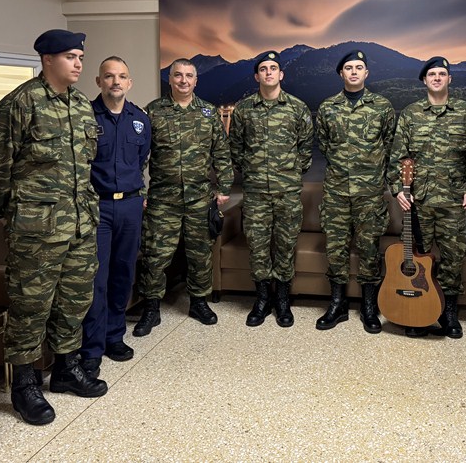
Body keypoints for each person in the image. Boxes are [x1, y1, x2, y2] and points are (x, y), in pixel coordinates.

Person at [0, 29, 107, 426]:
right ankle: (24, 385)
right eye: (70, 56)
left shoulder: (81, 104)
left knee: (74, 300)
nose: (78, 63)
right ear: (47, 59)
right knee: (30, 306)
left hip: (79, 225)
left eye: (80, 57)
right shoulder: (22, 102)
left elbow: (85, 166)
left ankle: (66, 369)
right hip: (36, 232)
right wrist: (14, 214)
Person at [133, 58, 233, 335]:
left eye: (189, 76)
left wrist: (224, 187)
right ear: (170, 78)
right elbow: (139, 156)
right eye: (178, 75)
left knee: (200, 253)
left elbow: (221, 152)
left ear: (196, 81)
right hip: (162, 199)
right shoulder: (153, 111)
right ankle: (151, 308)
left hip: (199, 197)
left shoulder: (208, 113)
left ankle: (198, 302)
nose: (184, 80)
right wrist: (140, 191)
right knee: (155, 255)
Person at [388, 57, 466, 338]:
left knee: (453, 256)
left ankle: (449, 312)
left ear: (449, 79)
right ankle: (418, 310)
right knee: (418, 256)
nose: (437, 78)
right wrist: (398, 189)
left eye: (442, 73)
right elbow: (398, 156)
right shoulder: (411, 114)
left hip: (454, 200)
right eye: (432, 74)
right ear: (424, 81)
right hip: (419, 202)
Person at [229, 50, 314, 327]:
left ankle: (283, 300)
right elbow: (236, 147)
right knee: (257, 246)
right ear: (257, 76)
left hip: (287, 192)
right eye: (263, 69)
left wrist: (291, 172)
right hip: (255, 193)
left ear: (281, 74)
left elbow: (306, 148)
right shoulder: (244, 109)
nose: (268, 73)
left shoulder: (297, 108)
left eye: (273, 68)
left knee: (286, 245)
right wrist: (251, 171)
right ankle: (263, 299)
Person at [78, 57, 150, 379]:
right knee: (97, 278)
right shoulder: (85, 117)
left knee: (123, 273)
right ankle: (92, 348)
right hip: (98, 207)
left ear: (129, 82)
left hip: (131, 206)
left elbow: (141, 159)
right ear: (99, 81)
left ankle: (114, 337)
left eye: (122, 76)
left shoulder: (140, 120)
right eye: (109, 76)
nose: (115, 82)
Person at [314, 50, 396, 333]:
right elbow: (324, 144)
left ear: (366, 73)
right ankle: (337, 305)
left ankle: (369, 307)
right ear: (341, 73)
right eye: (348, 68)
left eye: (359, 67)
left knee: (369, 249)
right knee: (335, 248)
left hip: (369, 192)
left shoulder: (382, 107)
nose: (353, 72)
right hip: (336, 191)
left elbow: (389, 144)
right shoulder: (328, 107)